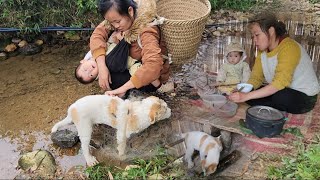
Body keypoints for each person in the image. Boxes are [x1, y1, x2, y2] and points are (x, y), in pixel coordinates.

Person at [229, 13, 320, 114]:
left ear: (271, 31)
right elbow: (256, 78)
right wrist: (243, 91)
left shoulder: (289, 47)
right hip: (281, 90)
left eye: (257, 35)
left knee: (280, 97)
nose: (254, 40)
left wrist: (246, 96)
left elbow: (279, 83)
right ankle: (269, 104)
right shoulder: (262, 51)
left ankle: (268, 105)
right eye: (253, 36)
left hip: (305, 96)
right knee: (251, 93)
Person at [88, 0, 170, 97]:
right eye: (111, 22)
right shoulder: (117, 16)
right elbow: (97, 35)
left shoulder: (147, 29)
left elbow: (153, 66)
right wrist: (102, 68)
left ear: (130, 11)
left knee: (112, 78)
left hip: (151, 78)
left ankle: (141, 91)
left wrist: (122, 89)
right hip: (131, 65)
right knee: (104, 66)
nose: (115, 26)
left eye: (117, 21)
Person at [75, 31, 161, 89]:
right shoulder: (102, 75)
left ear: (83, 61)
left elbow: (100, 42)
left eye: (85, 69)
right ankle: (156, 82)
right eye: (91, 75)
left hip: (116, 46)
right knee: (137, 70)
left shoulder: (91, 53)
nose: (90, 70)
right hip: (128, 62)